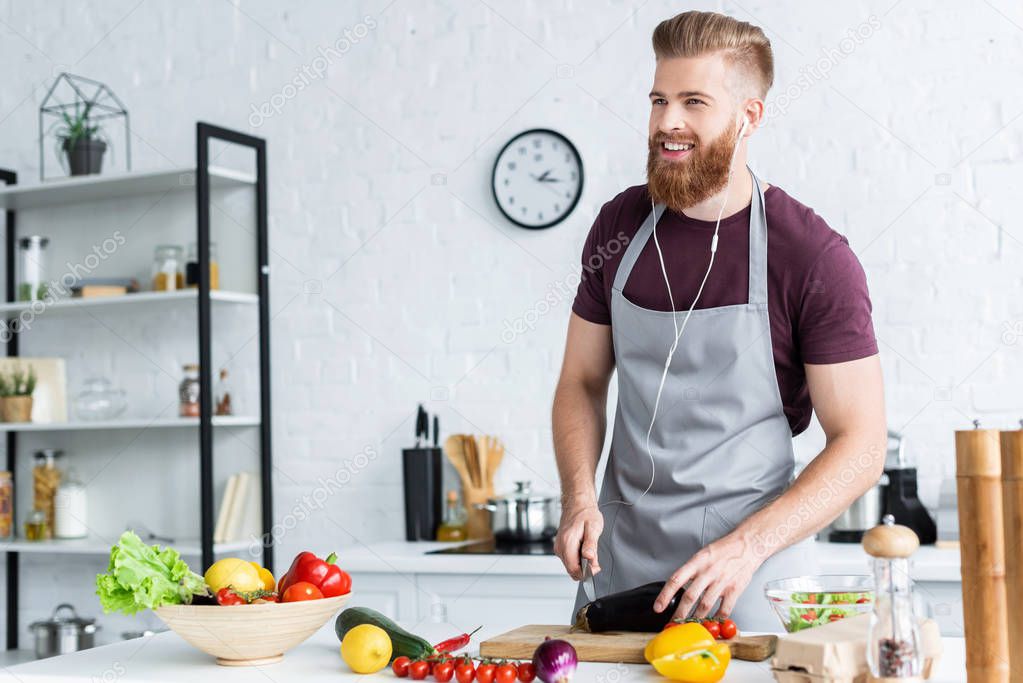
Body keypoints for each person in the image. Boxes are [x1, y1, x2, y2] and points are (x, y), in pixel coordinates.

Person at [551, 10, 886, 631]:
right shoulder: (619, 228)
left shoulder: (812, 257)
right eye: (659, 100)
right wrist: (578, 497)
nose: (666, 123)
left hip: (748, 582)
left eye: (693, 102)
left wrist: (748, 547)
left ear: (749, 116)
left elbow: (861, 444)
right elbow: (581, 381)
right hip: (618, 574)